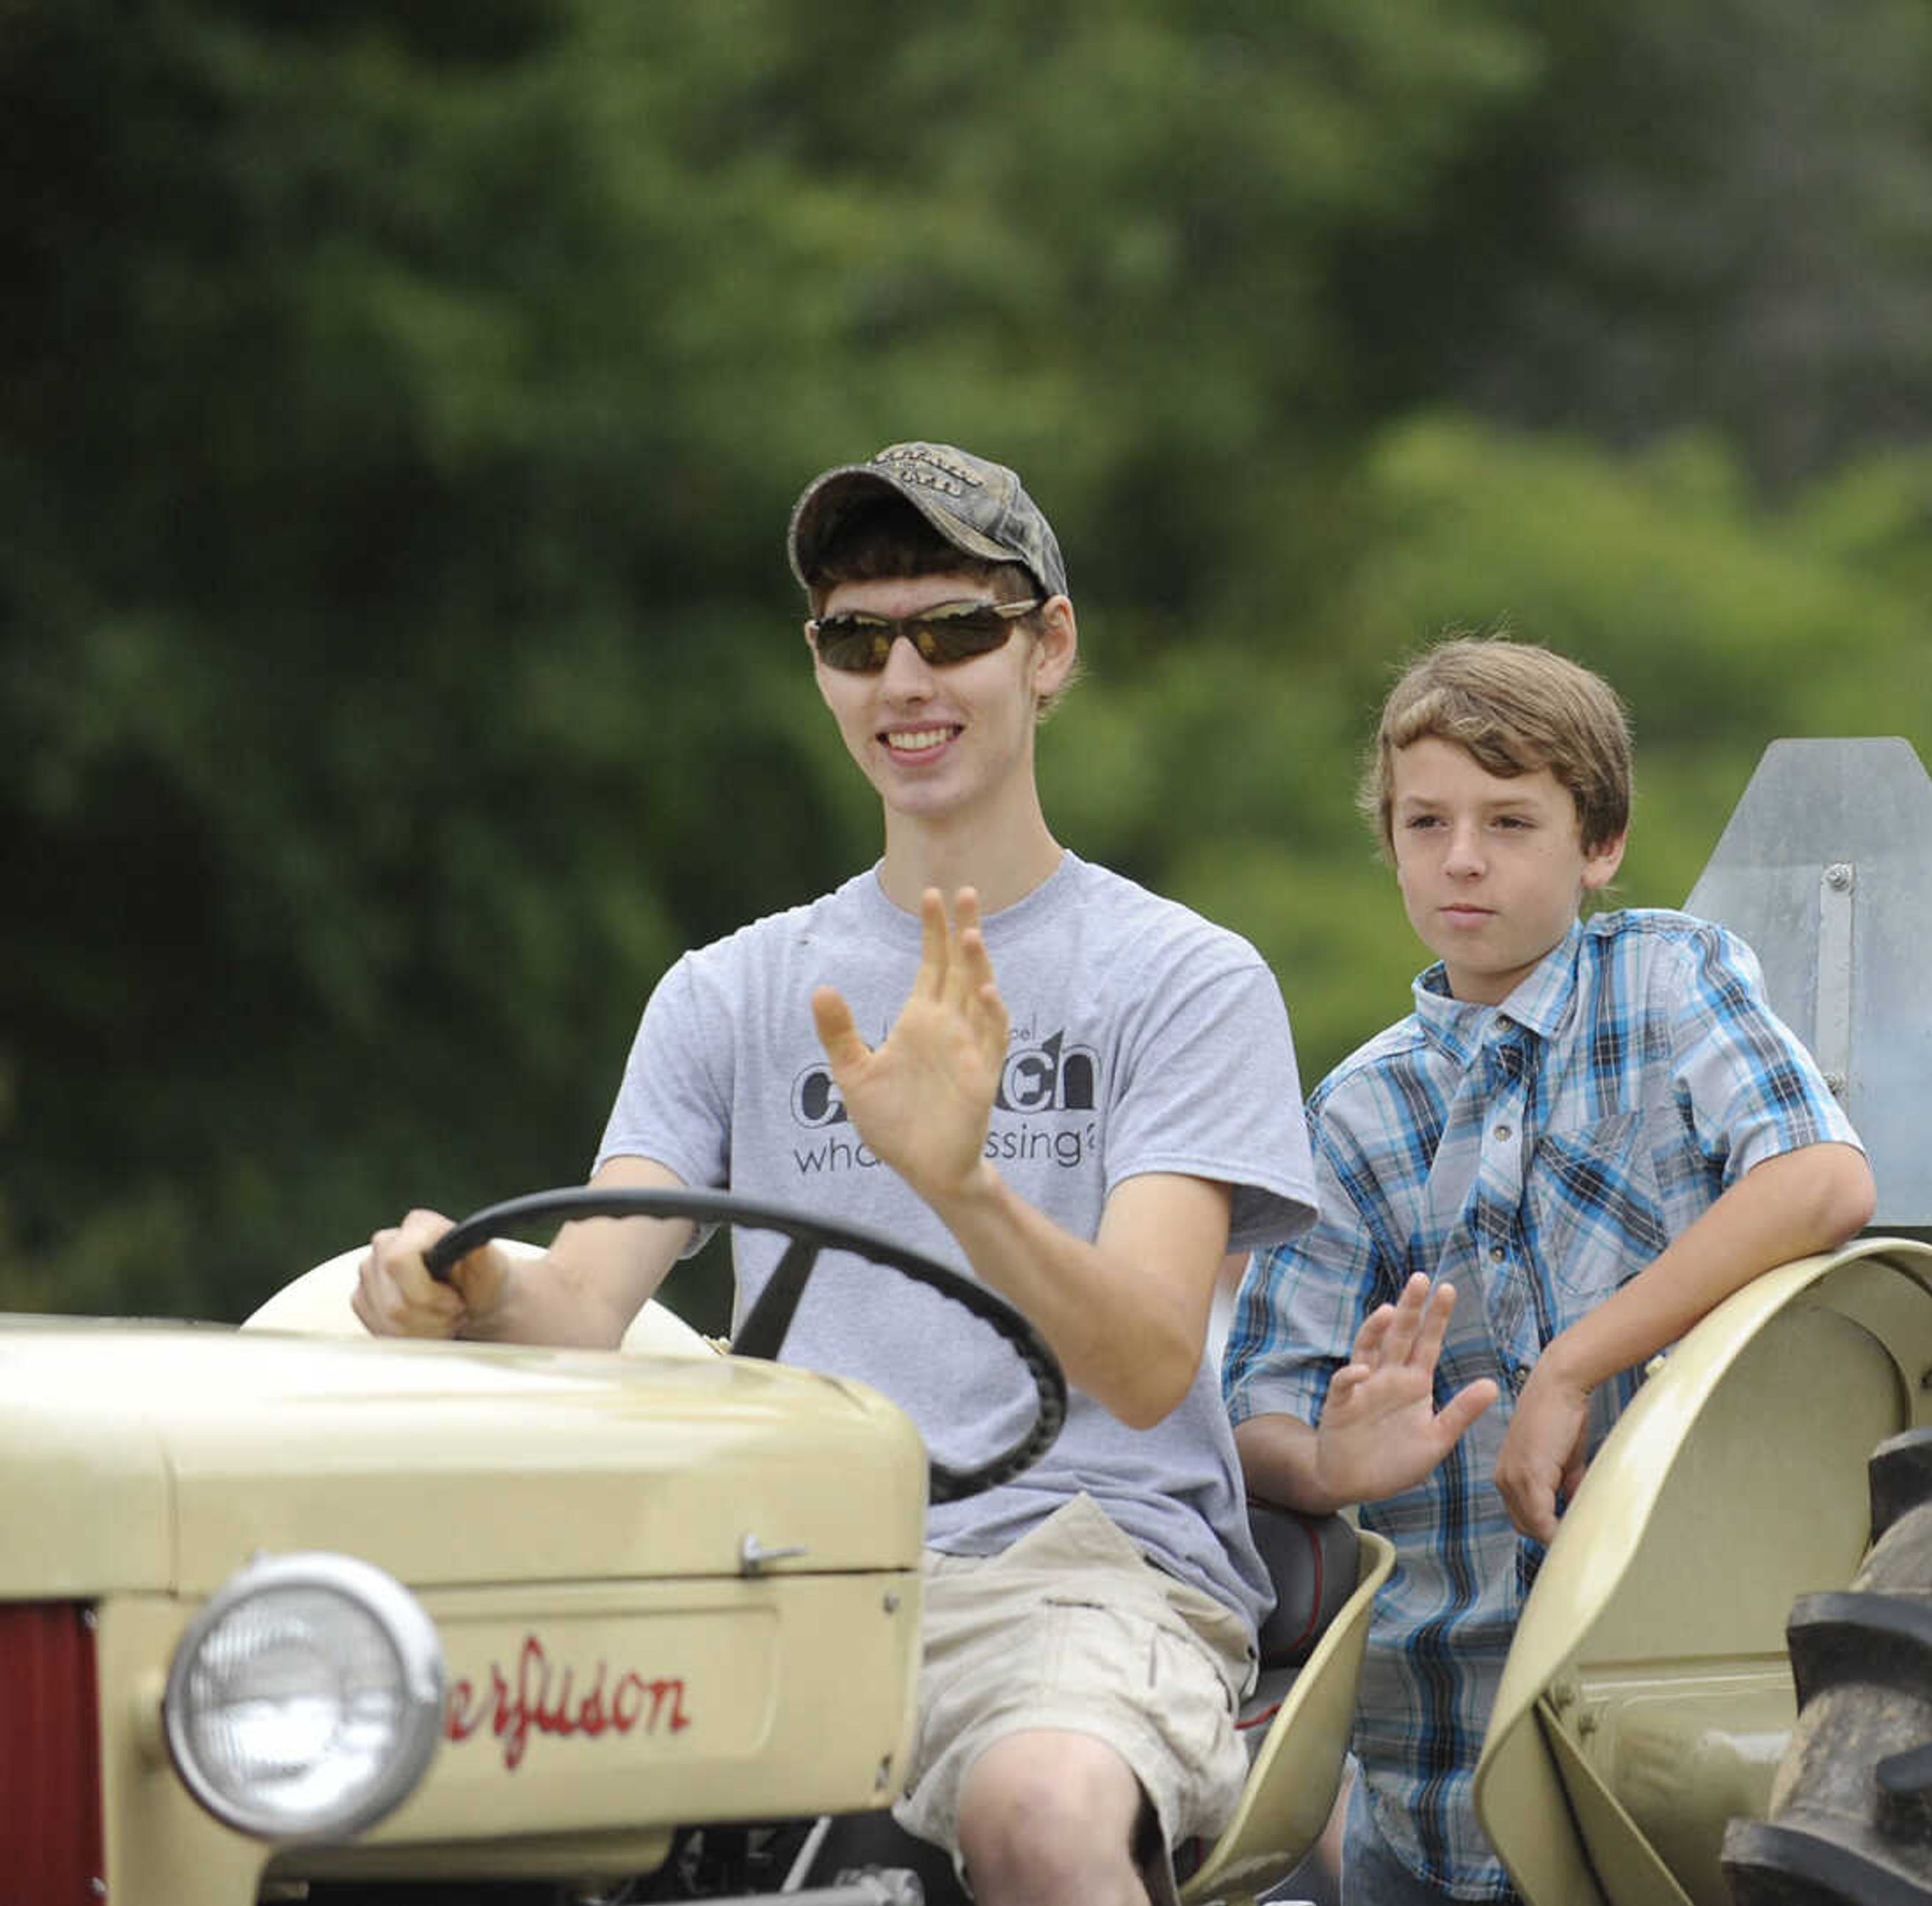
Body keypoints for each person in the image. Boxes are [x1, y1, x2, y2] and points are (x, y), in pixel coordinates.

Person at [353, 442, 1318, 1906]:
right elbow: (578, 1316)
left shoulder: (1184, 978)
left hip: (1077, 1574)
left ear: (1048, 648)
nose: (905, 680)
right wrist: (458, 1282)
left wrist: (964, 1181)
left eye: (956, 629)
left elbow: (1144, 1360)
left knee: (1047, 1814)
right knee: (408, 1779)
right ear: (820, 672)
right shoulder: (731, 990)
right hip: (771, 1573)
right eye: (859, 641)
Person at [1224, 635, 1877, 1904]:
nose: (1462, 856)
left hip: (1683, 1752)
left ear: (1600, 844)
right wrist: (1332, 1461)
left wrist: (1575, 1363)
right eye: (1427, 821)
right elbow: (1258, 1404)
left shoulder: (1666, 981)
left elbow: (1821, 1178)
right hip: (1434, 1764)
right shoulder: (1359, 1110)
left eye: (1510, 819)